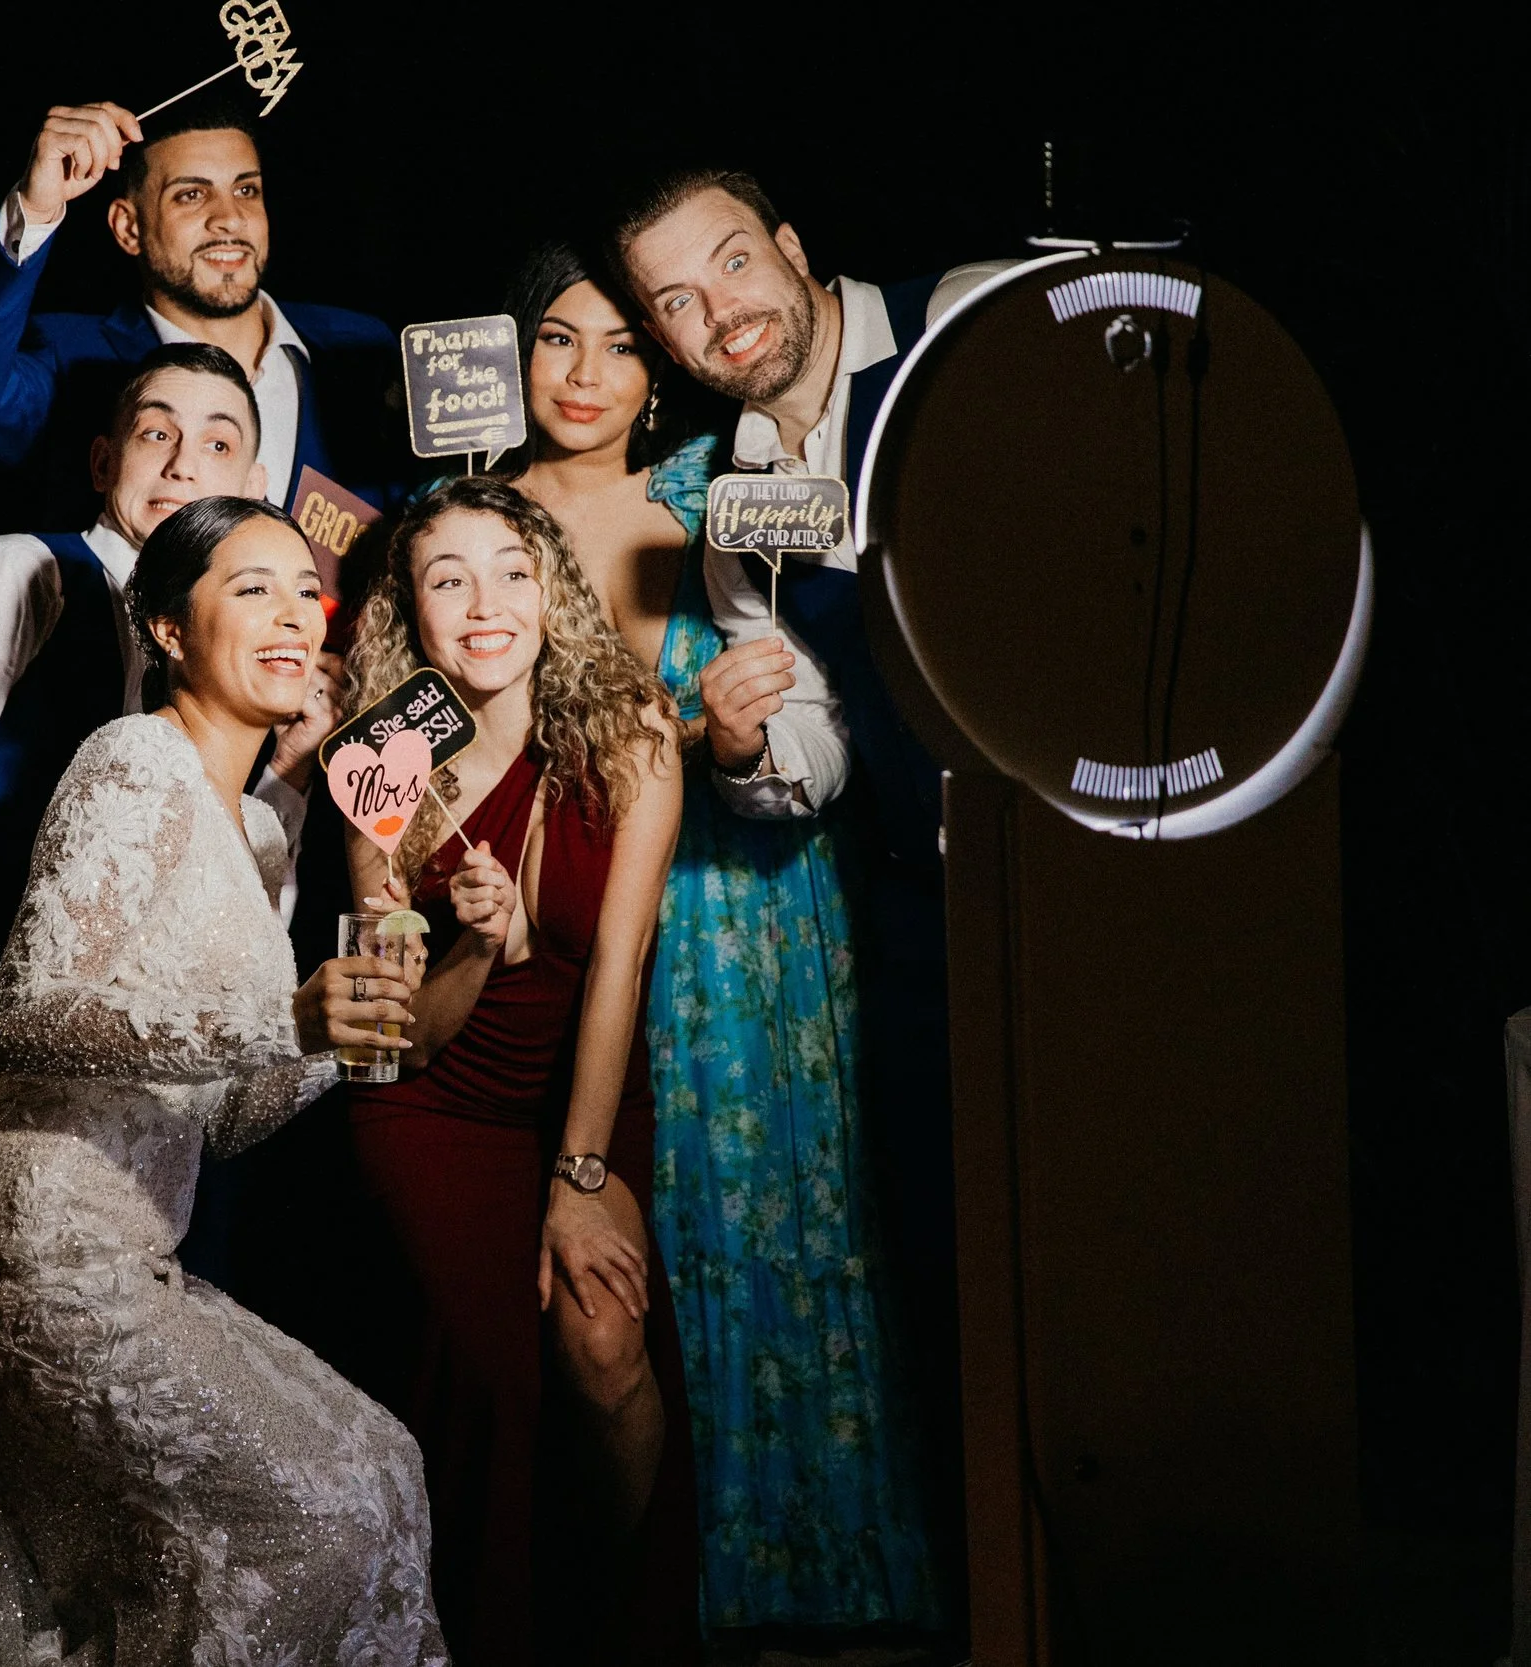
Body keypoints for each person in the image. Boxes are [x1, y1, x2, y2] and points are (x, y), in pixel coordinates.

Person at [0, 495, 445, 1664]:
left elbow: (225, 1108)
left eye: (307, 589)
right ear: (167, 630)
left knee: (379, 1463)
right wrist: (276, 1012)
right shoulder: (132, 756)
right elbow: (26, 1013)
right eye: (252, 589)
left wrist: (325, 1039)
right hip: (23, 1231)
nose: (296, 613)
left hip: (127, 1243)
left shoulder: (252, 830)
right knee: (311, 1515)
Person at [502, 241, 940, 1632]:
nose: (585, 374)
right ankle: (690, 1589)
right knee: (654, 1247)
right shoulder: (466, 523)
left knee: (814, 1210)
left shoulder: (732, 487)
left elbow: (851, 664)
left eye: (622, 343)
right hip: (589, 934)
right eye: (555, 340)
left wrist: (762, 726)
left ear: (664, 367)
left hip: (765, 912)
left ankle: (845, 1582)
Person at [613, 166, 1010, 1612]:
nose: (721, 315)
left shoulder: (976, 324)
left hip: (1112, 898)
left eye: (732, 264)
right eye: (676, 302)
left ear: (792, 243)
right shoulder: (740, 504)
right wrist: (740, 745)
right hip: (926, 937)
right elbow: (813, 759)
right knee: (964, 1298)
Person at [0, 343, 341, 1167]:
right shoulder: (12, 571)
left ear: (256, 487)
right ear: (105, 461)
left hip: (139, 1124)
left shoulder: (253, 657)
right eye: (156, 435)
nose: (184, 464)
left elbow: (233, 914)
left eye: (217, 444)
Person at [340, 475, 685, 1664]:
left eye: (510, 571)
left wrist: (583, 1171)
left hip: (581, 1083)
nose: (484, 604)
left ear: (550, 592)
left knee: (600, 1343)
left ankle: (630, 1629)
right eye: (448, 578)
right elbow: (394, 1040)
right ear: (410, 611)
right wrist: (479, 945)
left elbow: (621, 964)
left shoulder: (629, 724)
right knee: (490, 1376)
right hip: (435, 1101)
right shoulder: (384, 758)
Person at [0, 92, 401, 525]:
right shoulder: (74, 359)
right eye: (192, 195)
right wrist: (36, 207)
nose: (230, 217)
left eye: (246, 190)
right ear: (128, 228)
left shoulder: (360, 345)